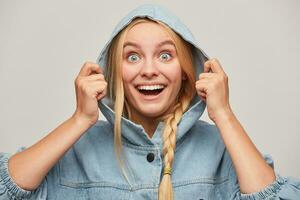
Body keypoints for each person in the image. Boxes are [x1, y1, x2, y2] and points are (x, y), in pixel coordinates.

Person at [0, 4, 299, 200]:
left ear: (185, 72)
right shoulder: (78, 149)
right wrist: (80, 119)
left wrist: (225, 115)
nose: (148, 69)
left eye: (165, 55)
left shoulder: (222, 148)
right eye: (133, 56)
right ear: (116, 73)